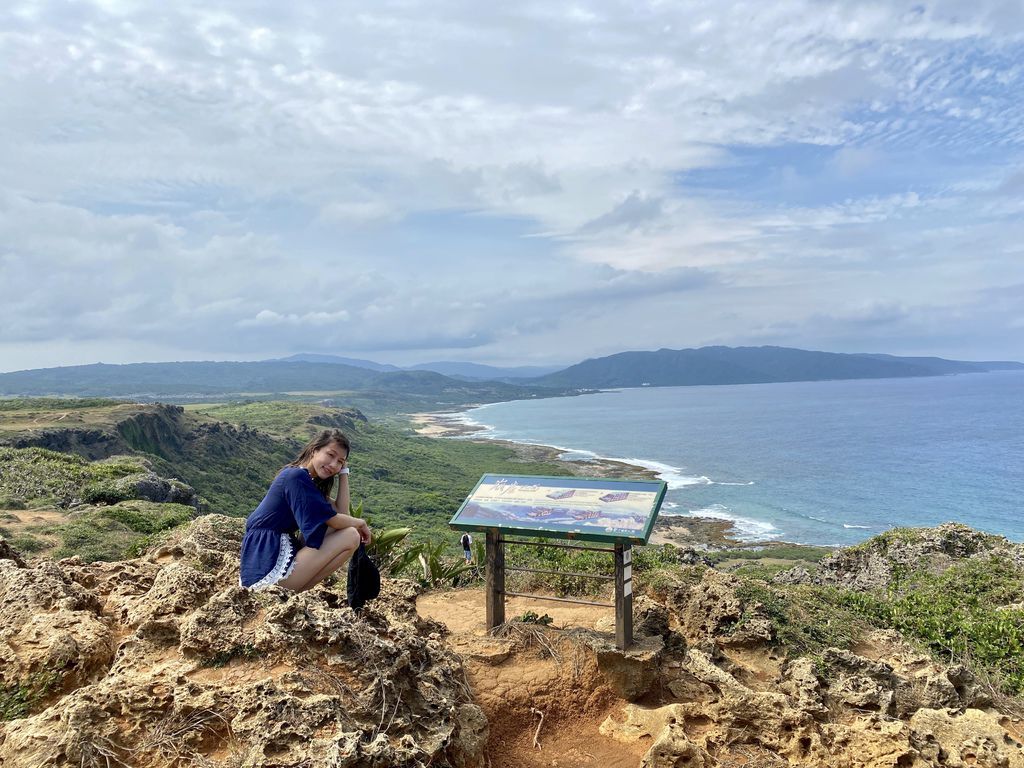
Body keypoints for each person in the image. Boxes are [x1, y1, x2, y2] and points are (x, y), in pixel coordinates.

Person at [239, 429, 371, 591]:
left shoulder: (306, 480)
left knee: (343, 529)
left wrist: (344, 472)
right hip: (267, 563)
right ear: (314, 450)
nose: (333, 464)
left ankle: (296, 594)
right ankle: (293, 593)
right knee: (351, 535)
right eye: (330, 455)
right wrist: (361, 523)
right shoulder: (296, 477)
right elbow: (335, 520)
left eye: (340, 462)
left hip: (269, 558)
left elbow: (341, 513)